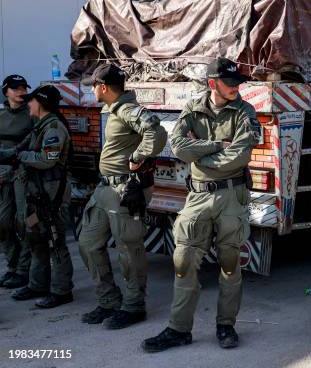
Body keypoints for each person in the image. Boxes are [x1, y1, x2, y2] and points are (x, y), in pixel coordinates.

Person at [141, 57, 260, 352]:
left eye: (237, 83)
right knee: (182, 263)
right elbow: (179, 147)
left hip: (232, 197)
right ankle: (179, 329)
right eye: (229, 83)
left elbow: (240, 156)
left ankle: (226, 326)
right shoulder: (193, 109)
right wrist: (218, 145)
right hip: (197, 198)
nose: (235, 88)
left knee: (230, 265)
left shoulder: (245, 112)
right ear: (212, 84)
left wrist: (201, 155)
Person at [78, 64, 167, 329]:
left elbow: (157, 132)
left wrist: (138, 158)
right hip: (105, 188)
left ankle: (133, 306)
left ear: (103, 87)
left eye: (93, 85)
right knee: (88, 243)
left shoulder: (127, 109)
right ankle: (108, 300)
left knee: (129, 249)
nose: (91, 90)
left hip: (125, 190)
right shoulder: (114, 109)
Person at [8, 85, 74, 308]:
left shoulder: (54, 128)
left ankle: (61, 290)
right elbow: (18, 150)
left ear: (42, 103)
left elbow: (48, 159)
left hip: (52, 195)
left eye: (32, 100)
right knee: (35, 236)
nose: (28, 104)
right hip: (38, 194)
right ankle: (38, 285)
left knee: (55, 240)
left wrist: (22, 156)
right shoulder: (40, 126)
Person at [0, 75, 34, 290]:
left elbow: (32, 140)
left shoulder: (31, 113)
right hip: (3, 173)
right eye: (15, 88)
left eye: (23, 87)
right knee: (3, 222)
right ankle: (12, 267)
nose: (21, 91)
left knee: (25, 222)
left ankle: (24, 270)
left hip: (23, 171)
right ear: (6, 92)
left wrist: (14, 155)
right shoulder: (1, 115)